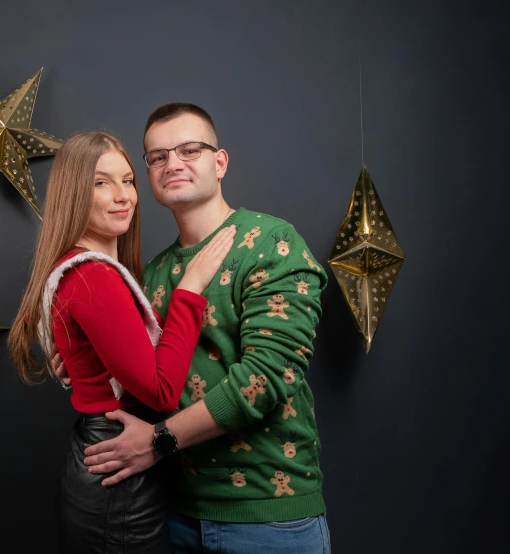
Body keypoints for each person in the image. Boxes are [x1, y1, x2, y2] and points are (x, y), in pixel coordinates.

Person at [59, 105, 331, 553]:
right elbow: (139, 371)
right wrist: (78, 351)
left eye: (190, 150)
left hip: (266, 518)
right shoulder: (151, 274)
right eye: (157, 156)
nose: (173, 164)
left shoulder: (271, 243)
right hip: (172, 512)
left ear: (220, 162)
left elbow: (265, 378)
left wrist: (158, 441)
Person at [7, 131, 236, 554]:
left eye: (128, 180)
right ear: (74, 193)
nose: (122, 195)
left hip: (105, 459)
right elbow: (162, 391)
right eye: (101, 182)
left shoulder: (77, 269)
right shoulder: (93, 278)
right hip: (117, 478)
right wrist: (191, 287)